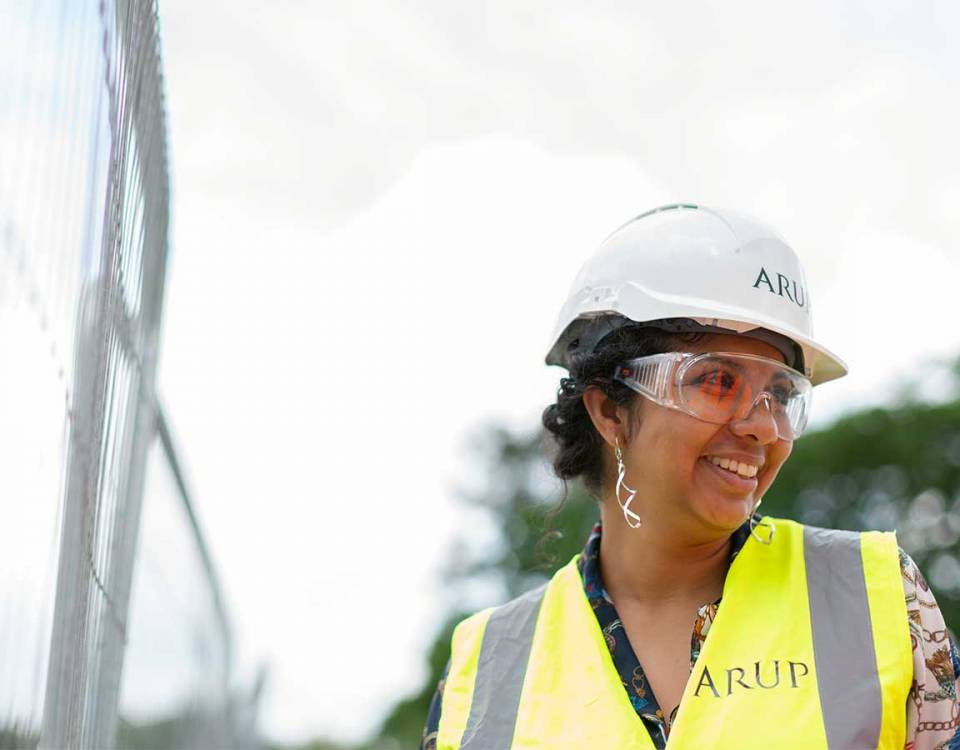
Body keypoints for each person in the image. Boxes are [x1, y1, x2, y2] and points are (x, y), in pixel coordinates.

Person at [421, 204, 960, 749]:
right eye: (717, 381)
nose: (763, 427)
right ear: (610, 411)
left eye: (780, 393)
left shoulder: (876, 598)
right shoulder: (488, 668)